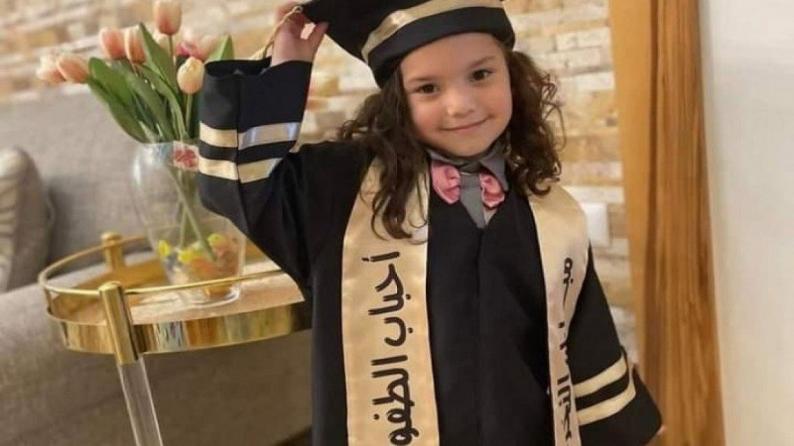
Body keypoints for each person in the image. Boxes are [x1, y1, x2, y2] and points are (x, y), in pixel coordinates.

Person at [197, 0, 662, 444]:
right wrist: (284, 74)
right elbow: (238, 186)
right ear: (397, 102)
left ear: (512, 75)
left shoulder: (549, 213)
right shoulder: (340, 197)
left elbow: (583, 345)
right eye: (427, 88)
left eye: (480, 74)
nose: (460, 104)